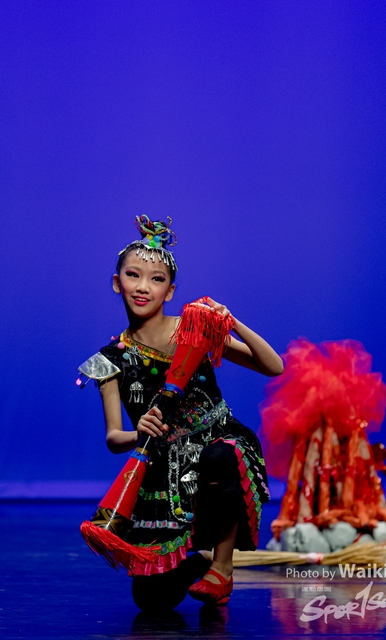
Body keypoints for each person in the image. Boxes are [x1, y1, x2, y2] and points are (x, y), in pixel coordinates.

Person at [78, 215, 283, 608]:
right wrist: (139, 432)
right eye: (133, 275)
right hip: (162, 469)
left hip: (219, 445)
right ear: (117, 283)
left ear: (170, 291)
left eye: (156, 279)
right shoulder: (109, 360)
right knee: (151, 601)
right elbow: (113, 438)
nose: (143, 287)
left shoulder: (194, 330)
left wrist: (231, 322)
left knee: (219, 455)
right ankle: (201, 560)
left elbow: (274, 366)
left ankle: (222, 568)